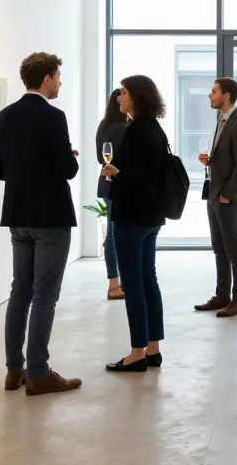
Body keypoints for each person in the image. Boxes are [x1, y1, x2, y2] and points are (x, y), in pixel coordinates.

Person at [0, 52, 82, 396]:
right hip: (51, 216)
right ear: (46, 79)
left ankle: (14, 371)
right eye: (58, 77)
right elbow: (68, 169)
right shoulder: (54, 116)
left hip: (18, 215)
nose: (59, 83)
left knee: (20, 291)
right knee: (45, 295)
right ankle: (39, 373)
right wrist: (68, 158)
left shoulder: (4, 116)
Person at [100, 75, 169, 373]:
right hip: (152, 216)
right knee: (149, 280)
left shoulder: (136, 130)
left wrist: (115, 172)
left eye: (124, 93)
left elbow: (136, 177)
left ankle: (137, 352)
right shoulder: (155, 129)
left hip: (131, 217)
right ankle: (153, 349)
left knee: (133, 284)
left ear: (137, 97)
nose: (119, 97)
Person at [195, 77, 237, 317]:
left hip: (227, 196)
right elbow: (227, 157)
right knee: (219, 247)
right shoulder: (222, 120)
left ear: (226, 95)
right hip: (214, 192)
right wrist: (209, 160)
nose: (210, 95)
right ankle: (222, 295)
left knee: (233, 248)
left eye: (214, 91)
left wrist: (228, 195)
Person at [95, 88, 129, 301]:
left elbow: (101, 159)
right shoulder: (128, 127)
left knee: (112, 234)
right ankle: (119, 285)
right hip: (123, 184)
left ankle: (114, 283)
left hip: (106, 183)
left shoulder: (103, 126)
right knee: (120, 235)